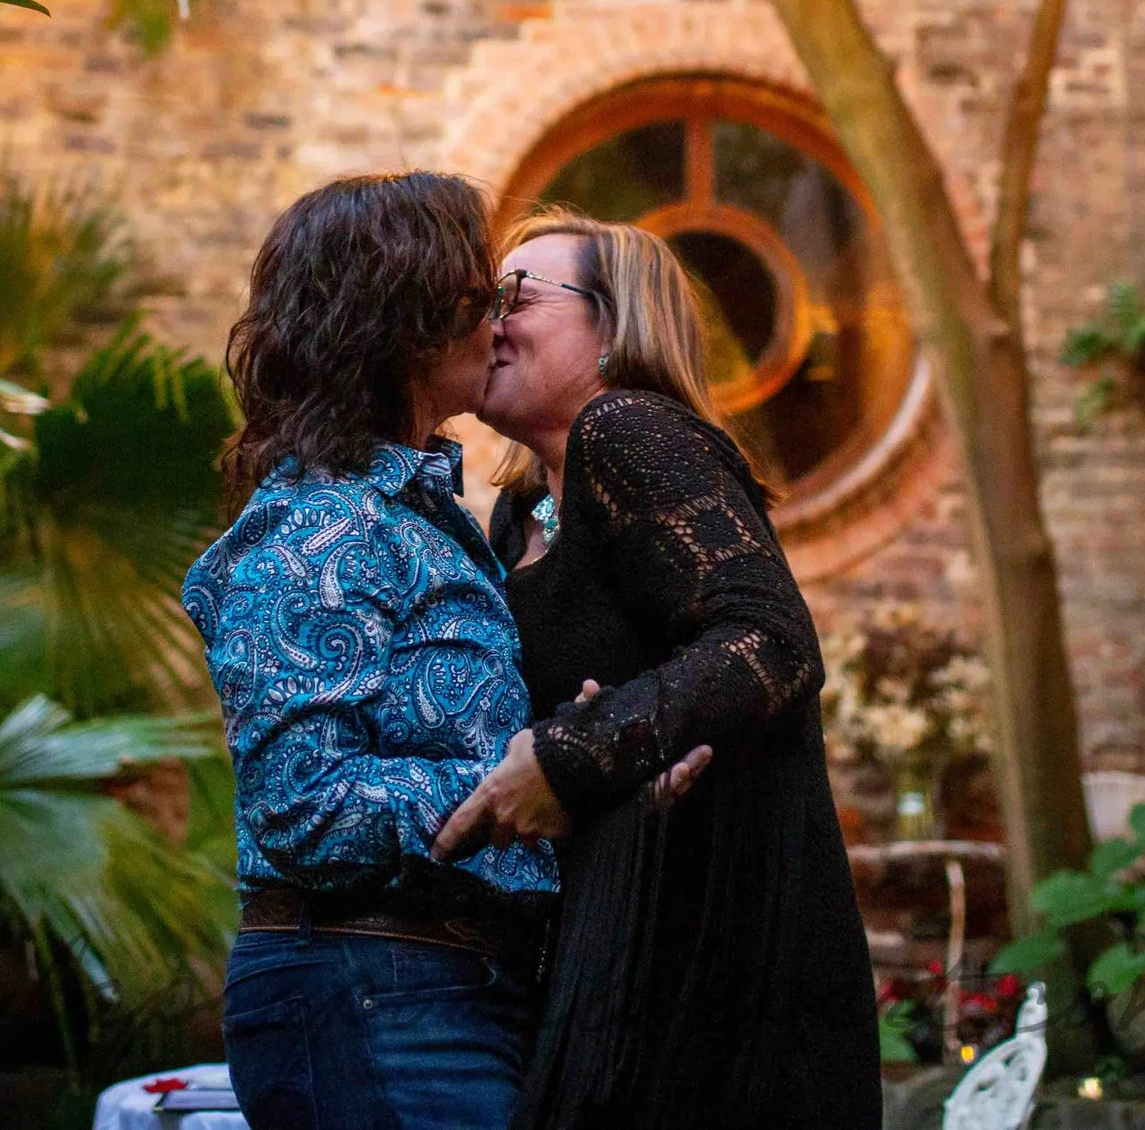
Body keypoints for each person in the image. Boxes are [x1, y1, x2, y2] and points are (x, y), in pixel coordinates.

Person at [433, 205, 883, 1130]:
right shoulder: (515, 514)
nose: (492, 317)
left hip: (715, 937)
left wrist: (576, 752)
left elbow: (771, 641)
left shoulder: (629, 429)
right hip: (611, 919)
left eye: (518, 294)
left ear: (615, 326)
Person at [181, 172, 556, 1130]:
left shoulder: (415, 513)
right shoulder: (322, 524)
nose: (500, 325)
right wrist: (517, 787)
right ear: (408, 322)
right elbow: (302, 802)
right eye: (486, 299)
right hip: (371, 988)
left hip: (438, 982)